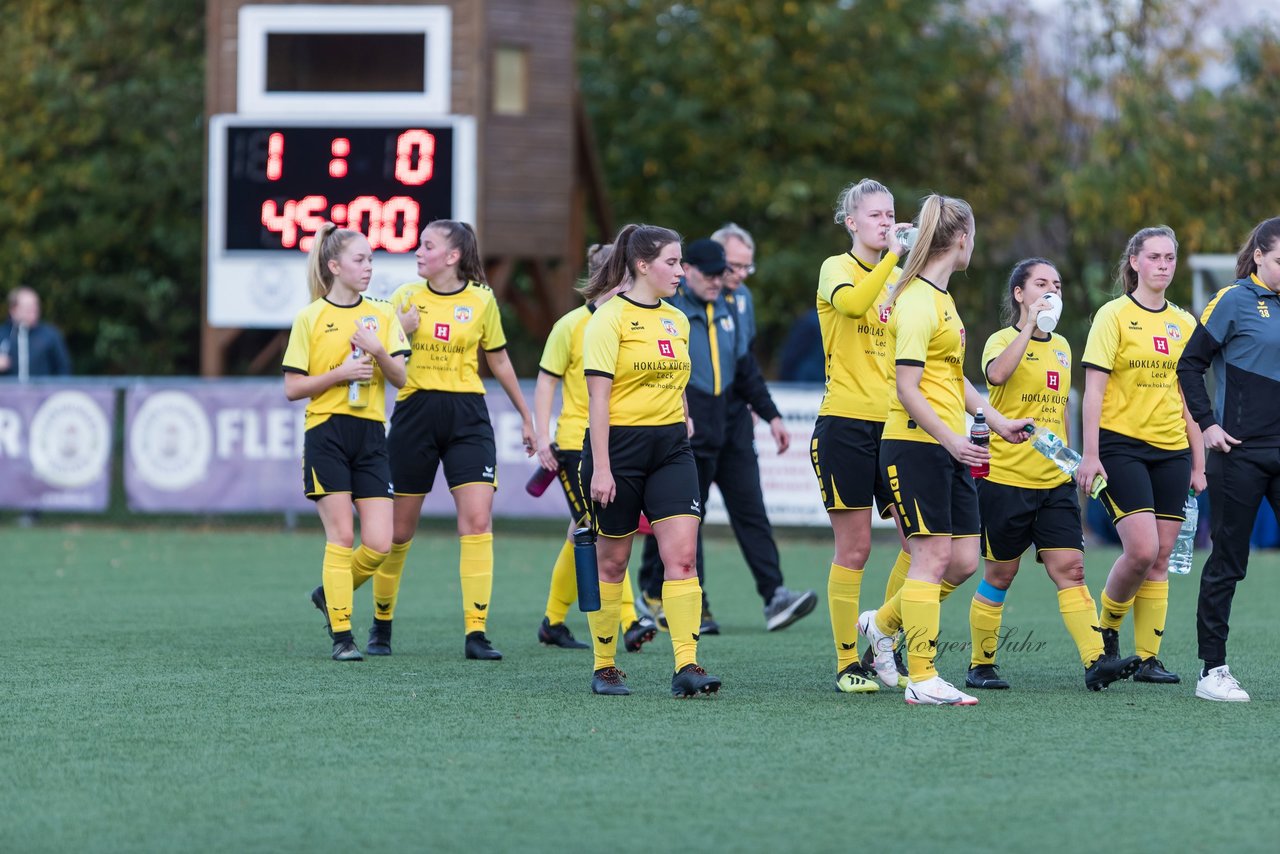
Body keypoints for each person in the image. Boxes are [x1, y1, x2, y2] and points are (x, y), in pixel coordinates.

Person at [855, 194, 1032, 705]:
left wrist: (994, 422)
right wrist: (953, 439)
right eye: (973, 234)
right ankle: (924, 678)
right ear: (961, 239)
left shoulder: (942, 299)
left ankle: (882, 624)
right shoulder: (914, 301)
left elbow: (954, 381)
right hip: (916, 445)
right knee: (929, 560)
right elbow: (908, 386)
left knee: (960, 563)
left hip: (947, 446)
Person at [964, 258, 1141, 692]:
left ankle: (1095, 662)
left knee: (1072, 569)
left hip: (1055, 481)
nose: (1051, 292)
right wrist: (1029, 326)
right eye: (1041, 285)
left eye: (1057, 285)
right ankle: (980, 663)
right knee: (999, 575)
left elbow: (1060, 411)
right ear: (1019, 294)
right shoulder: (1001, 339)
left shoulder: (1063, 345)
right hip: (1006, 480)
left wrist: (1078, 459)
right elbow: (996, 375)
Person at [635, 238, 814, 632]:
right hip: (686, 431)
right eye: (713, 274)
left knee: (751, 511)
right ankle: (679, 599)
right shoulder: (670, 310)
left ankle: (775, 595)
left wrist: (772, 416)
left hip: (731, 428)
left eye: (725, 273)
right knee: (684, 520)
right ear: (690, 271)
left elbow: (746, 367)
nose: (721, 281)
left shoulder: (731, 306)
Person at [379, 220, 536, 660]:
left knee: (477, 521)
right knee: (398, 530)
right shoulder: (403, 299)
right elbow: (381, 362)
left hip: (468, 417)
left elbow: (500, 361)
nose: (418, 250)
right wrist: (401, 330)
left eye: (428, 245)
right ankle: (381, 622)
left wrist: (527, 417)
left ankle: (476, 632)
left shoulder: (482, 300)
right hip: (414, 415)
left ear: (452, 257)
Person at [578, 223, 721, 698]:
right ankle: (604, 666)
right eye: (673, 262)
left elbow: (677, 380)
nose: (681, 271)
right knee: (613, 563)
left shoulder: (677, 319)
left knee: (681, 558)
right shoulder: (607, 318)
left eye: (681, 262)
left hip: (672, 450)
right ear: (643, 265)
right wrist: (601, 467)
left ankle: (688, 664)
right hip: (617, 450)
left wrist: (682, 415)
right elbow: (598, 400)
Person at [1077, 225, 1204, 685]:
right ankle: (1107, 629)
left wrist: (1198, 463)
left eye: (1170, 257)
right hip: (1120, 446)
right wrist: (1090, 455)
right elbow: (1093, 392)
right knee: (1142, 548)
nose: (1163, 265)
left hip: (1171, 448)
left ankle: (1149, 658)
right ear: (1134, 262)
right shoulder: (1112, 316)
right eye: (1154, 257)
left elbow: (1189, 397)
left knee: (1161, 555)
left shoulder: (1185, 323)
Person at [284, 224, 409, 661]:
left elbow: (401, 377)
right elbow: (293, 388)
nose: (368, 268)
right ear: (334, 266)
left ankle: (329, 592)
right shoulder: (311, 317)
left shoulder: (383, 313)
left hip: (372, 434)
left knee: (379, 542)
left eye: (372, 260)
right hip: (327, 433)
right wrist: (339, 374)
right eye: (360, 260)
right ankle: (343, 637)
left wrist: (377, 351)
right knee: (340, 536)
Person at [812, 178, 917, 694]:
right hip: (846, 423)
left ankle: (885, 636)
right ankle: (846, 661)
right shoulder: (839, 269)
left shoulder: (901, 278)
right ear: (851, 222)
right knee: (854, 549)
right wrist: (892, 264)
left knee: (919, 543)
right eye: (875, 215)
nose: (886, 223)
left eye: (891, 214)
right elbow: (854, 306)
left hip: (898, 424)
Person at [532, 243, 658, 653]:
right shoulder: (571, 325)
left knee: (581, 533)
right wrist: (540, 433)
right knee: (602, 532)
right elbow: (547, 379)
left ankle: (552, 621)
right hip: (574, 446)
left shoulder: (630, 321)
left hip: (615, 443)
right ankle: (628, 621)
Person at [1176, 216, 1280, 702]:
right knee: (1228, 562)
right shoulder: (1232, 300)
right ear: (1259, 255)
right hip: (1238, 455)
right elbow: (1189, 364)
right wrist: (1207, 423)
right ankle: (1212, 671)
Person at [0, 286, 72, 379]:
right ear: (13, 310)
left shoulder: (50, 335)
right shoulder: (2, 334)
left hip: (43, 391)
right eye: (28, 307)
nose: (34, 310)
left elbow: (63, 369)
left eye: (35, 305)